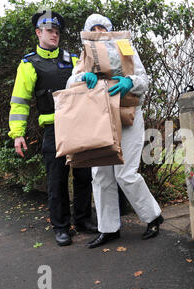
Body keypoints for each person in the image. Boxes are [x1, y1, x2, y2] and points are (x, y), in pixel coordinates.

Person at [70, 14, 164, 248]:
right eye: (94, 29)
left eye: (103, 27)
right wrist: (83, 76)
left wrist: (129, 82)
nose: (99, 32)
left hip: (127, 115)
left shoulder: (125, 47)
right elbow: (70, 84)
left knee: (126, 173)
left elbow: (144, 79)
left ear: (110, 30)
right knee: (101, 175)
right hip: (99, 118)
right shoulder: (85, 54)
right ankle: (108, 229)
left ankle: (153, 217)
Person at [8, 9, 97, 247]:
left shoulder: (73, 59)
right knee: (56, 179)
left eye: (57, 31)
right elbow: (20, 102)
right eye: (49, 30)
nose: (54, 34)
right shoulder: (29, 64)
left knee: (83, 175)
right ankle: (61, 227)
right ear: (38, 32)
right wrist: (17, 134)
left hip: (77, 126)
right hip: (53, 128)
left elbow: (90, 79)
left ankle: (83, 220)